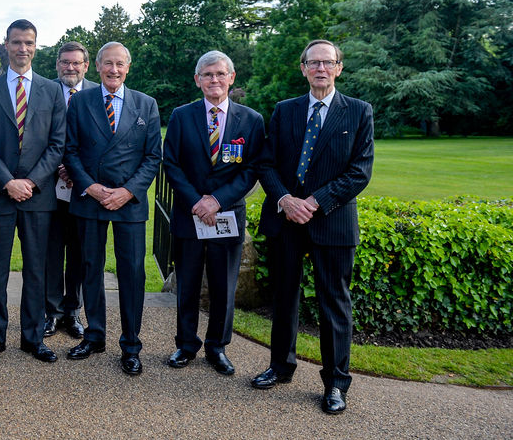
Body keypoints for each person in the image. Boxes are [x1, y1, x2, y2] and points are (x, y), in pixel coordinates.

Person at [251, 39, 374, 415]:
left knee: (334, 303)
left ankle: (336, 383)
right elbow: (266, 164)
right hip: (287, 220)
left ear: (339, 68)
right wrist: (286, 200)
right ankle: (280, 366)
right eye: (313, 63)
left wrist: (315, 201)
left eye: (328, 62)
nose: (320, 68)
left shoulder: (358, 112)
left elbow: (360, 171)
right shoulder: (285, 111)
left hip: (332, 222)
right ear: (302, 68)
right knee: (283, 298)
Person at [161, 51, 266, 376]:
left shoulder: (251, 120)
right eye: (207, 74)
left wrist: (217, 201)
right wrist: (197, 201)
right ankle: (186, 344)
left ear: (231, 78)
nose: (214, 80)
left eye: (220, 74)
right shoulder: (181, 115)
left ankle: (217, 347)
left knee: (223, 286)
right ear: (198, 80)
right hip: (190, 215)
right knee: (188, 284)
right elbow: (171, 162)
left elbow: (251, 170)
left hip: (226, 217)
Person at [63, 42, 161, 376]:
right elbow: (70, 151)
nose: (113, 70)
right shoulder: (80, 103)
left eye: (120, 64)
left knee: (132, 272)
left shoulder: (146, 105)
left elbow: (152, 157)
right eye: (108, 64)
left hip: (128, 204)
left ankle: (131, 345)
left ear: (128, 67)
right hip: (90, 199)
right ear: (97, 66)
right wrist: (90, 186)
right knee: (90, 268)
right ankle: (94, 336)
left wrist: (127, 191)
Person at [0, 20, 66, 365]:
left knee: (36, 271)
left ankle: (33, 338)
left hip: (38, 197)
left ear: (36, 45)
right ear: (6, 45)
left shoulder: (51, 91)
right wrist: (7, 181)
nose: (22, 48)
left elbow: (58, 145)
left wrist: (30, 182)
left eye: (28, 42)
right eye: (16, 42)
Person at [44, 41, 96, 340]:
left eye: (76, 63)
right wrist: (58, 167)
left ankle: (72, 311)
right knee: (51, 252)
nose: (70, 67)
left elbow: (100, 141)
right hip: (50, 187)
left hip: (82, 188)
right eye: (65, 62)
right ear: (57, 64)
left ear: (86, 66)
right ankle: (50, 312)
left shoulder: (94, 95)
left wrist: (77, 171)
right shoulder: (46, 92)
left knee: (78, 252)